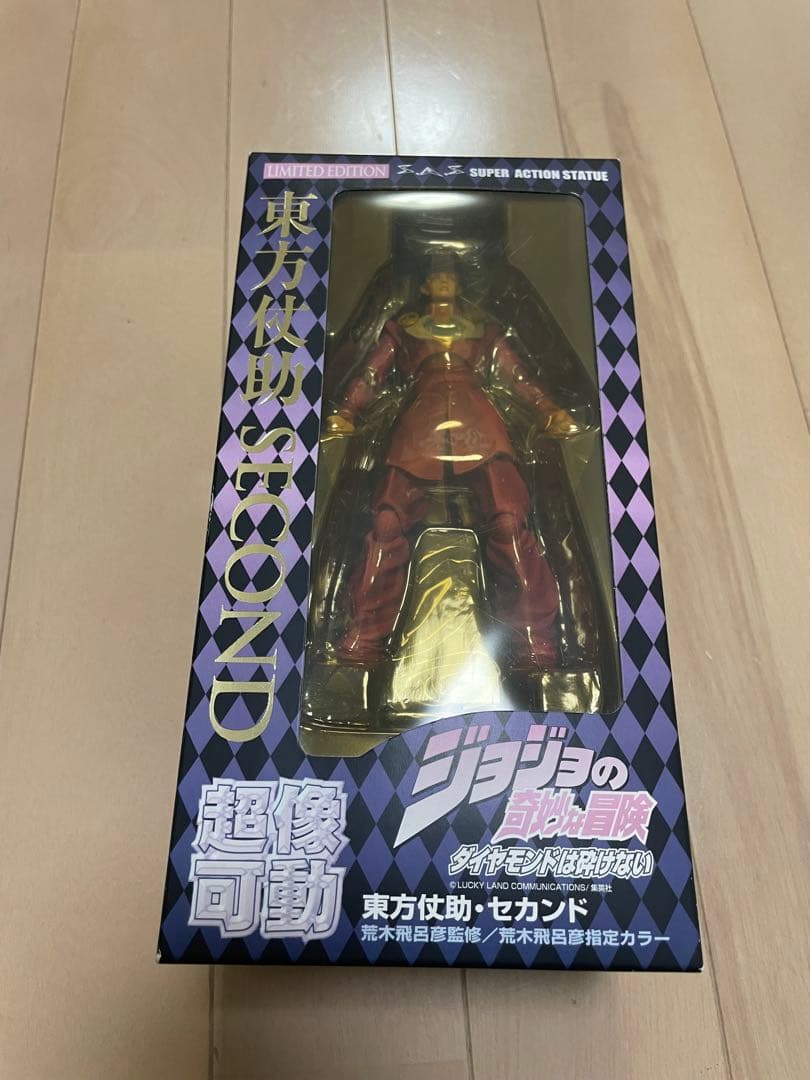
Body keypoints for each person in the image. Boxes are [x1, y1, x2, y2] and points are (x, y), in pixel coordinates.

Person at [325, 252, 579, 671]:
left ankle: (534, 635)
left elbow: (516, 374)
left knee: (508, 520)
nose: (443, 281)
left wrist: (547, 408)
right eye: (436, 276)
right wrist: (349, 409)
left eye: (450, 276)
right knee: (386, 520)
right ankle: (365, 632)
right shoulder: (404, 328)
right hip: (419, 419)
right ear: (425, 286)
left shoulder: (482, 328)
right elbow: (372, 372)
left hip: (478, 418)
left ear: (459, 285)